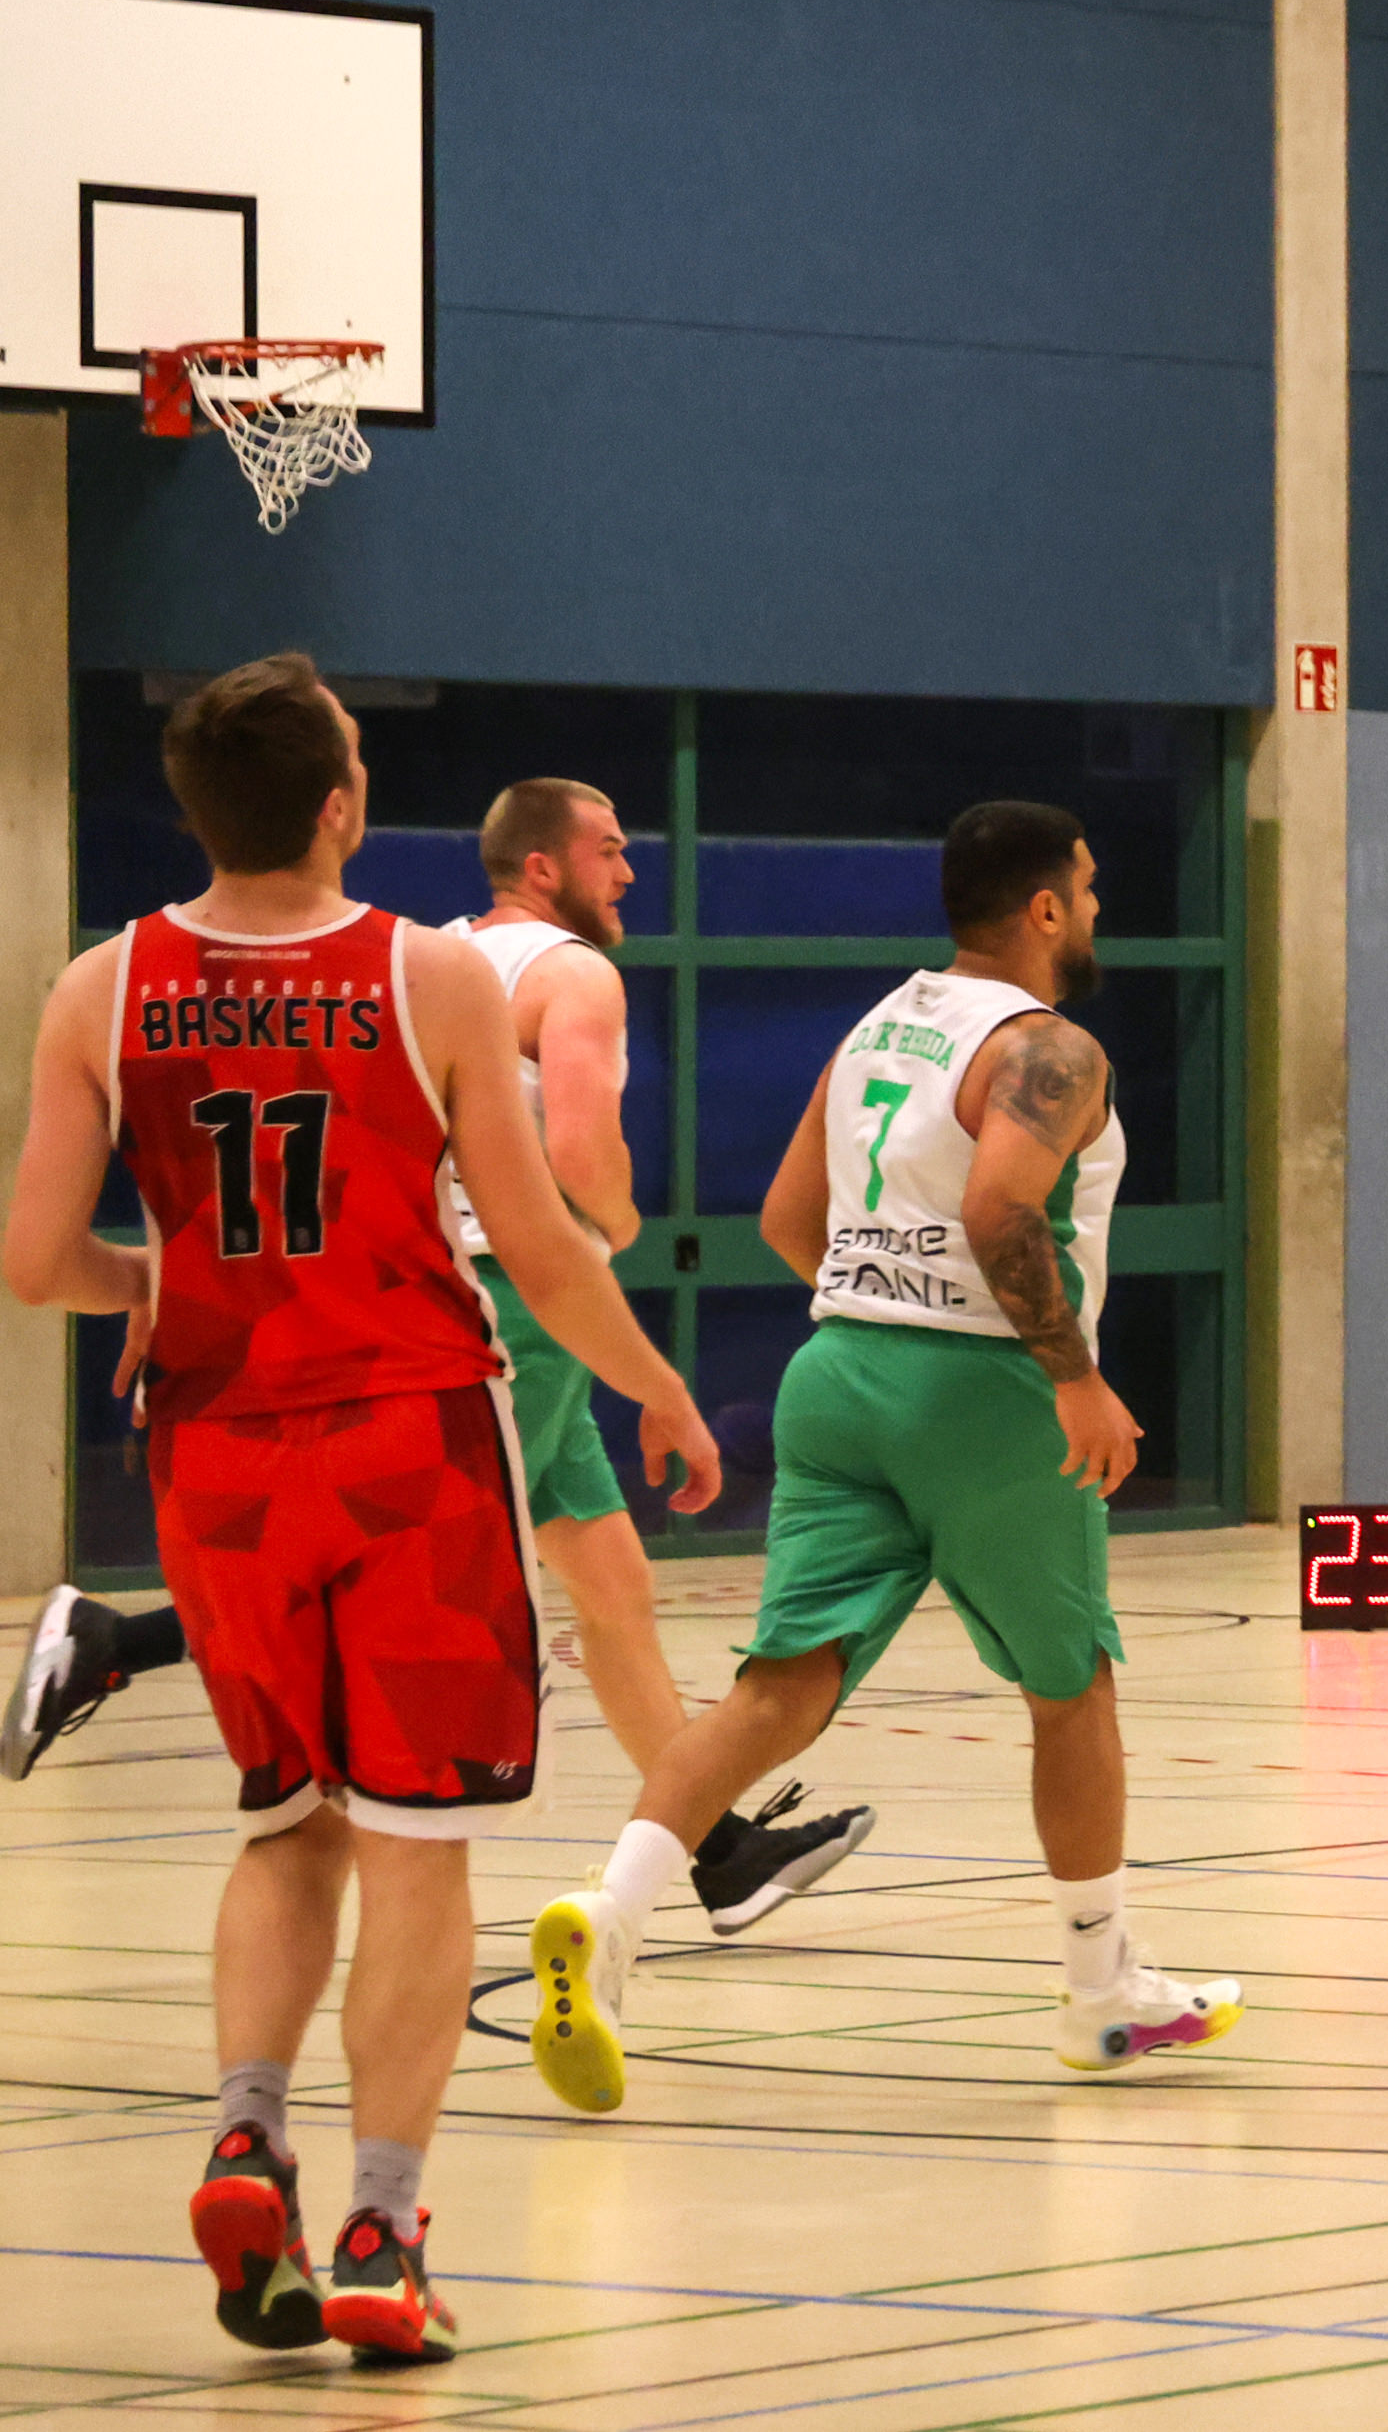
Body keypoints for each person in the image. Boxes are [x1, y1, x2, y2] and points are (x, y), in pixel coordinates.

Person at [1, 654, 723, 2364]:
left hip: (216, 1450)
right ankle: (384, 2234)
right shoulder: (428, 973)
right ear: (341, 805)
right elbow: (540, 1244)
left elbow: (34, 1260)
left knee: (285, 1822)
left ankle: (245, 2131)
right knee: (417, 1842)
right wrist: (658, 1385)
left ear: (198, 808)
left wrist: (151, 1278)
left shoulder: (103, 985)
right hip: (411, 1439)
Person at [11, 783, 876, 1934]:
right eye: (609, 850)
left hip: (422, 1278)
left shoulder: (440, 956)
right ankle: (115, 1642)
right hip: (498, 1301)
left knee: (612, 1589)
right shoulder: (574, 975)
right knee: (408, 1559)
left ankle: (714, 1850)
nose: (628, 871)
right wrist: (616, 1225)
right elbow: (578, 1153)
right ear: (542, 867)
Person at [520, 802, 1238, 2112]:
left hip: (836, 1372)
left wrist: (881, 1313)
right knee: (1071, 1688)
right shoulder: (1050, 1048)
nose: (1094, 910)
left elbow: (788, 1216)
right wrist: (1071, 1376)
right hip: (984, 1393)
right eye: (1085, 889)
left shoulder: (877, 1028)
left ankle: (608, 1918)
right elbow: (1001, 1208)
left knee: (774, 1692)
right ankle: (1099, 1991)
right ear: (1043, 908)